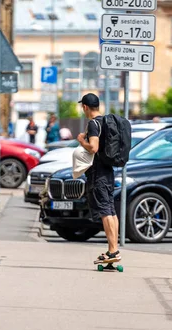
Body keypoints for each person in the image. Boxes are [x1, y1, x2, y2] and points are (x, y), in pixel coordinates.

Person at [76, 93, 120, 263]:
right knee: (111, 210)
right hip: (108, 171)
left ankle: (113, 250)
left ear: (85, 107)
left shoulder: (94, 124)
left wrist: (81, 140)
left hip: (98, 173)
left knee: (104, 211)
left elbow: (93, 148)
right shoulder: (106, 122)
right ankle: (113, 250)